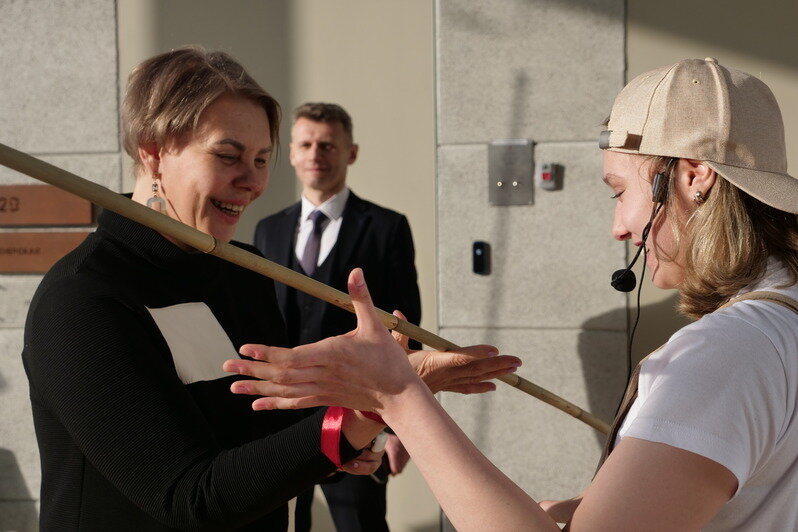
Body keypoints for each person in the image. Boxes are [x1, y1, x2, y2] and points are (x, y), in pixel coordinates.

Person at [225, 58, 798, 530]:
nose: (619, 227)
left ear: (693, 175)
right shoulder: (778, 327)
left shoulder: (724, 354)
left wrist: (398, 394)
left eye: (619, 191)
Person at [21, 47, 521, 531]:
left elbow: (262, 441)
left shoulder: (246, 270)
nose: (252, 182)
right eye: (228, 155)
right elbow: (192, 498)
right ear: (154, 152)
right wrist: (373, 401)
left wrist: (362, 402)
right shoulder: (82, 302)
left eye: (262, 159)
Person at [253, 102, 419, 531]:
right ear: (290, 152)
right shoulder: (267, 229)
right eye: (305, 144)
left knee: (360, 525)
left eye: (327, 144)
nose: (315, 154)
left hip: (357, 411)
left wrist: (401, 426)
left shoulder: (387, 227)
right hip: (283, 416)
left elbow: (406, 328)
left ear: (352, 152)